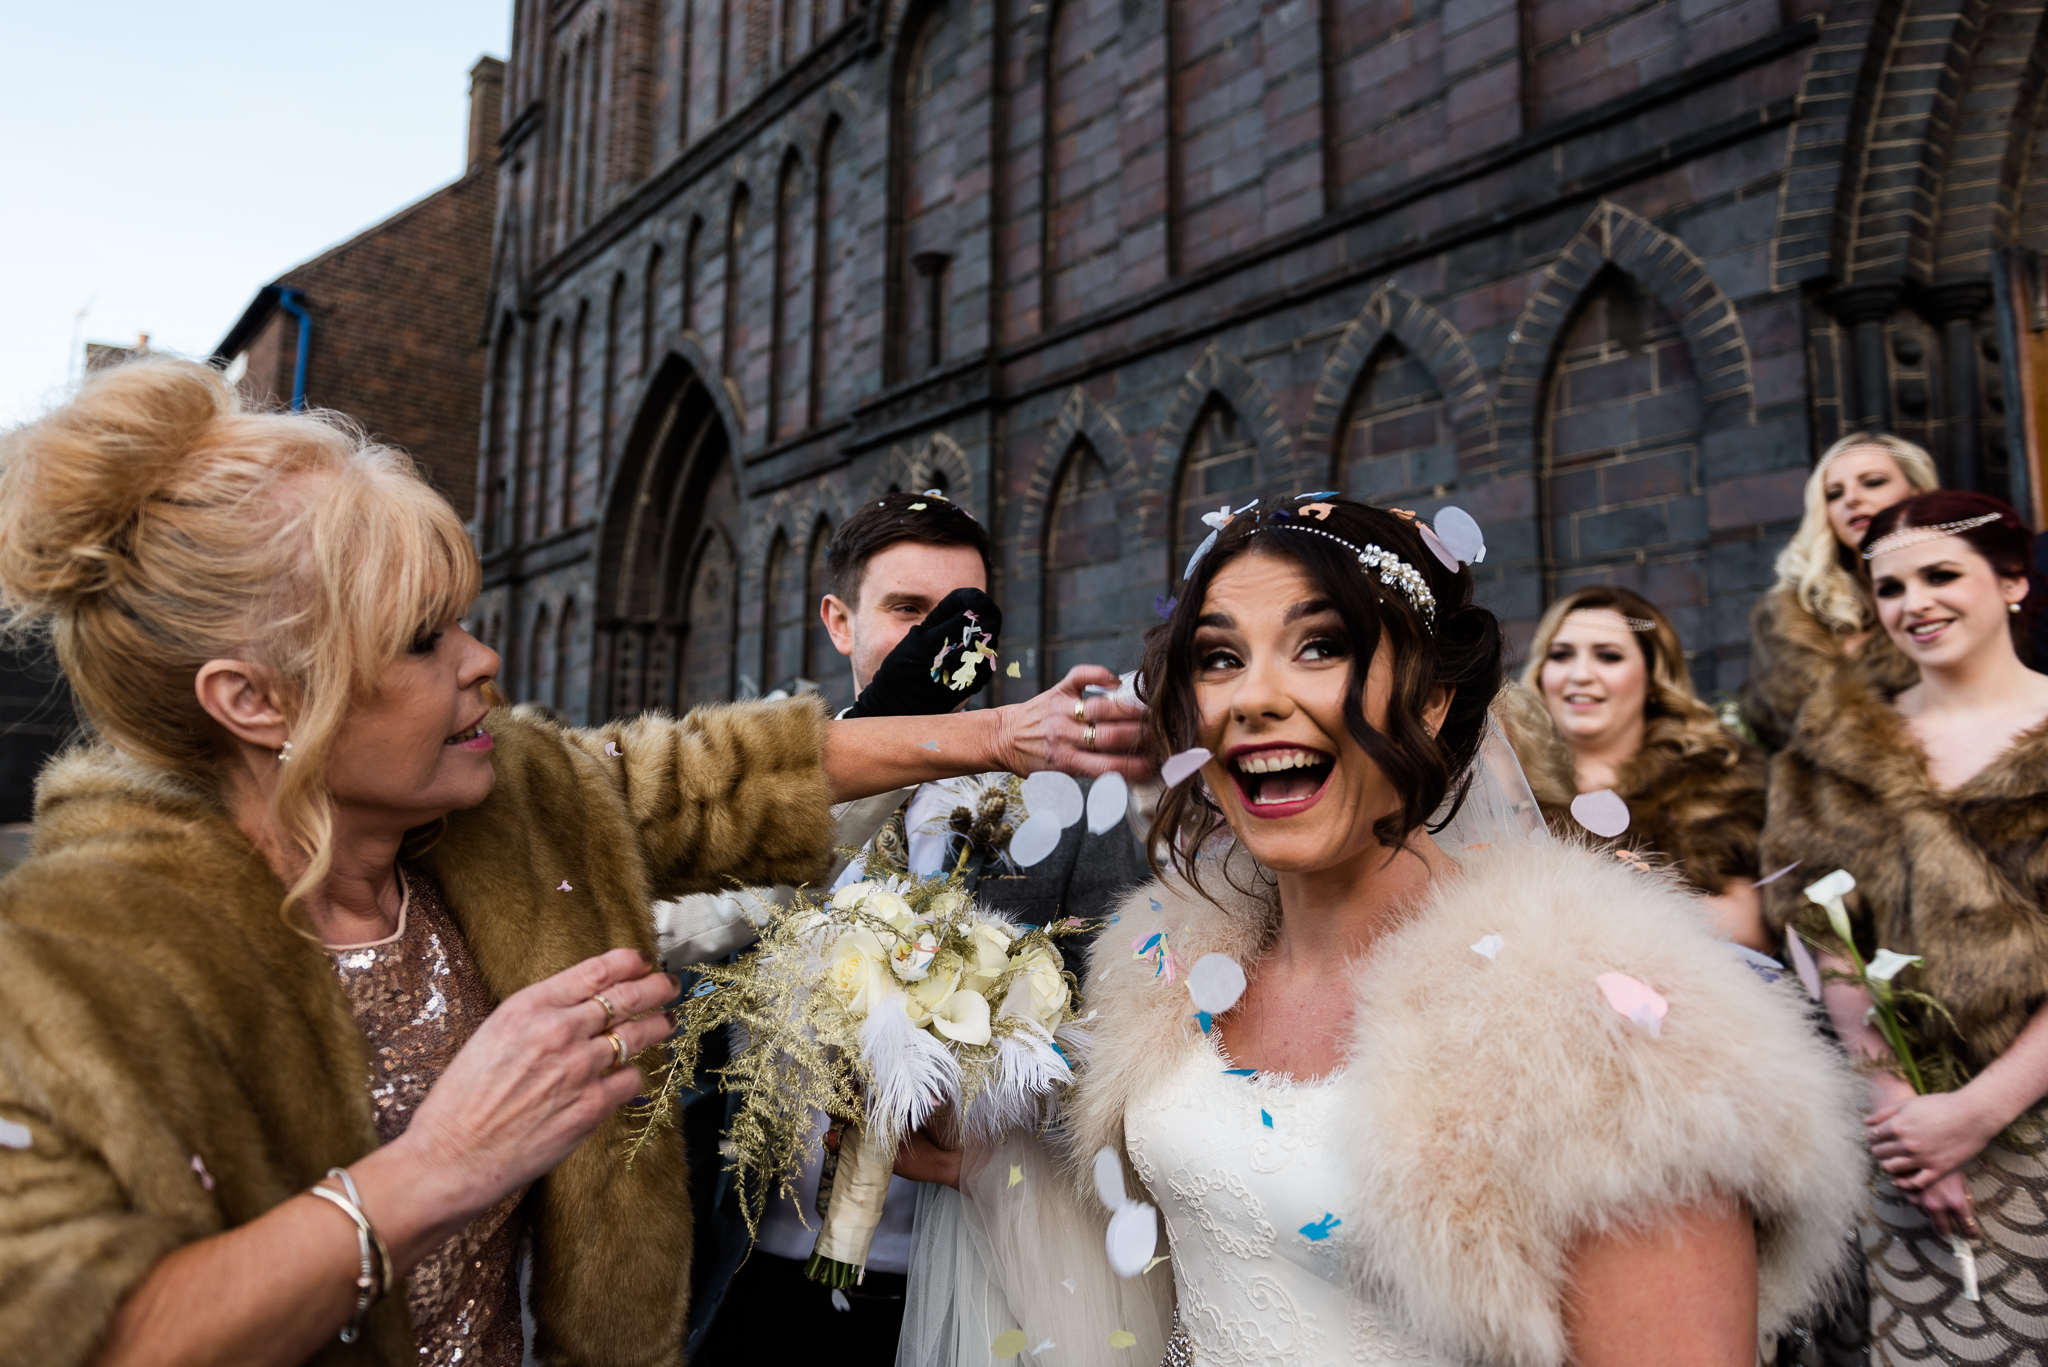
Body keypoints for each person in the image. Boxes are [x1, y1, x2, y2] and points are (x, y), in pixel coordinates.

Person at [0, 359, 1147, 1367]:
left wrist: (1002, 733)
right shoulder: (77, 958)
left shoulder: (512, 797)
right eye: (422, 639)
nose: (483, 660)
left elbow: (722, 770)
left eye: (465, 618)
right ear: (254, 699)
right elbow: (71, 1329)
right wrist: (441, 1162)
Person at [904, 495, 1866, 1367]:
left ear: (1435, 698)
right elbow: (1181, 1222)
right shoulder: (1162, 974)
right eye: (1220, 657)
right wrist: (972, 1143)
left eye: (1320, 646)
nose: (1254, 696)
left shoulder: (1608, 1032)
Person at [687, 493, 1146, 1364]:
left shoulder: (1070, 809)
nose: (940, 641)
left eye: (963, 615)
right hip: (757, 1269)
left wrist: (990, 1080)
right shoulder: (767, 798)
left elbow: (1124, 1043)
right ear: (839, 620)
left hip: (959, 1277)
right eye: (907, 610)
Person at [1759, 491, 2048, 1363]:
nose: (1914, 602)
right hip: (1909, 1135)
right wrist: (1904, 1111)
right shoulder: (1837, 743)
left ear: (2013, 583)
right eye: (1891, 588)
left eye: (1940, 575)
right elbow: (1823, 927)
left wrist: (1979, 1110)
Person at [1523, 585, 1771, 949]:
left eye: (1607, 656)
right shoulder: (1507, 784)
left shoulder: (1711, 780)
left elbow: (1746, 927)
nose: (1580, 674)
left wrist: (1593, 898)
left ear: (1653, 677)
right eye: (1561, 655)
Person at [1745, 433, 1937, 749]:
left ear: (1915, 493)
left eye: (1873, 482)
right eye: (1834, 494)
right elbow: (1786, 725)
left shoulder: (1963, 589)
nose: (1851, 499)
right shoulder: (1791, 613)